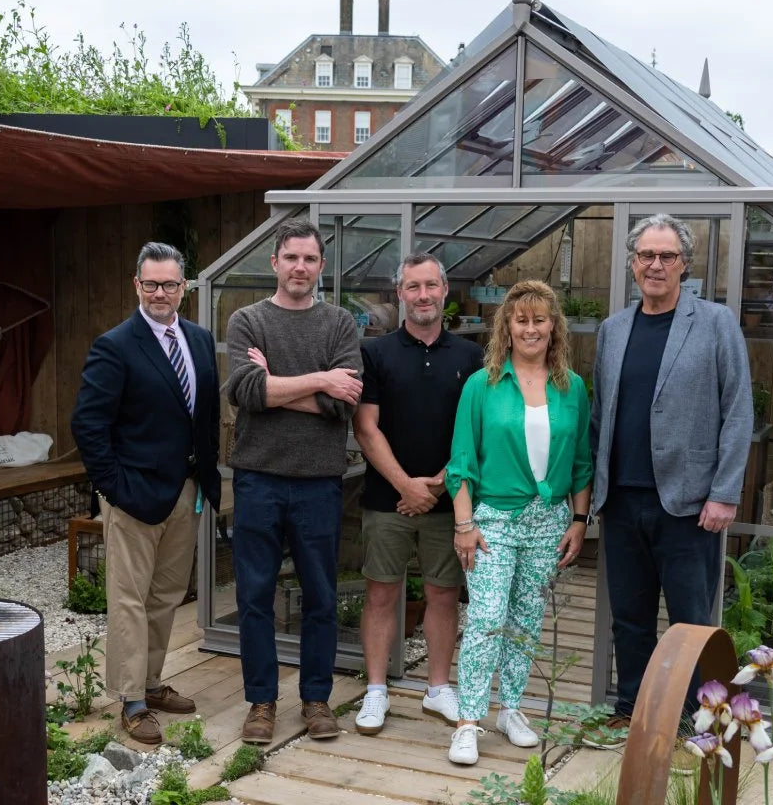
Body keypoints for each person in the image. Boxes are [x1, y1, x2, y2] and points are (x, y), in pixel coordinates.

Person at [590, 214, 754, 736]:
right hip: (621, 501)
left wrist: (724, 493)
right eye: (646, 255)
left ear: (685, 264)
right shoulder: (613, 331)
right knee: (630, 618)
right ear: (633, 263)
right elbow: (601, 415)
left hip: (688, 504)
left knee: (692, 623)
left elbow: (738, 409)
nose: (655, 265)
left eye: (667, 256)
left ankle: (699, 720)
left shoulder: (715, 323)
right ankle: (634, 710)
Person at [70, 242, 222, 746]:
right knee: (129, 600)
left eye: (171, 284)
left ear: (185, 288)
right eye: (152, 284)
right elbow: (88, 425)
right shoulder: (115, 345)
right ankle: (131, 701)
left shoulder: (199, 341)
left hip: (185, 492)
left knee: (165, 597)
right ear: (137, 285)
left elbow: (203, 418)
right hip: (133, 497)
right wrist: (113, 488)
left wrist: (207, 481)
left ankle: (152, 683)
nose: (161, 293)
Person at [223, 220, 363, 745]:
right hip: (257, 479)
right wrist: (320, 380)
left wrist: (277, 383)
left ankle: (316, 698)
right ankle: (261, 702)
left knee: (321, 596)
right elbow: (244, 390)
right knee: (255, 595)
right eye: (291, 258)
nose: (299, 267)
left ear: (320, 267)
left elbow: (342, 402)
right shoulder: (247, 320)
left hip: (318, 484)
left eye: (309, 259)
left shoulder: (339, 324)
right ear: (274, 263)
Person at [442, 280, 593, 766]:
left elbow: (583, 463)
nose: (531, 328)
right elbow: (461, 461)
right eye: (521, 319)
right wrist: (464, 525)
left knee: (526, 618)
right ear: (507, 327)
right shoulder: (481, 385)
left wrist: (578, 519)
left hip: (548, 520)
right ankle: (467, 721)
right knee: (486, 617)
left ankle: (511, 708)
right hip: (493, 519)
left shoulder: (572, 388)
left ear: (554, 327)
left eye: (540, 319)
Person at [350, 254, 482, 735]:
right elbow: (366, 428)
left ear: (445, 291)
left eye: (431, 285)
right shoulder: (376, 352)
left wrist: (436, 484)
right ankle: (377, 690)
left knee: (443, 595)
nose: (422, 295)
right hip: (389, 500)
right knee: (381, 592)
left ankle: (438, 688)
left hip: (451, 502)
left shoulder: (471, 357)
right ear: (399, 294)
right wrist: (406, 485)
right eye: (412, 287)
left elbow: (475, 433)